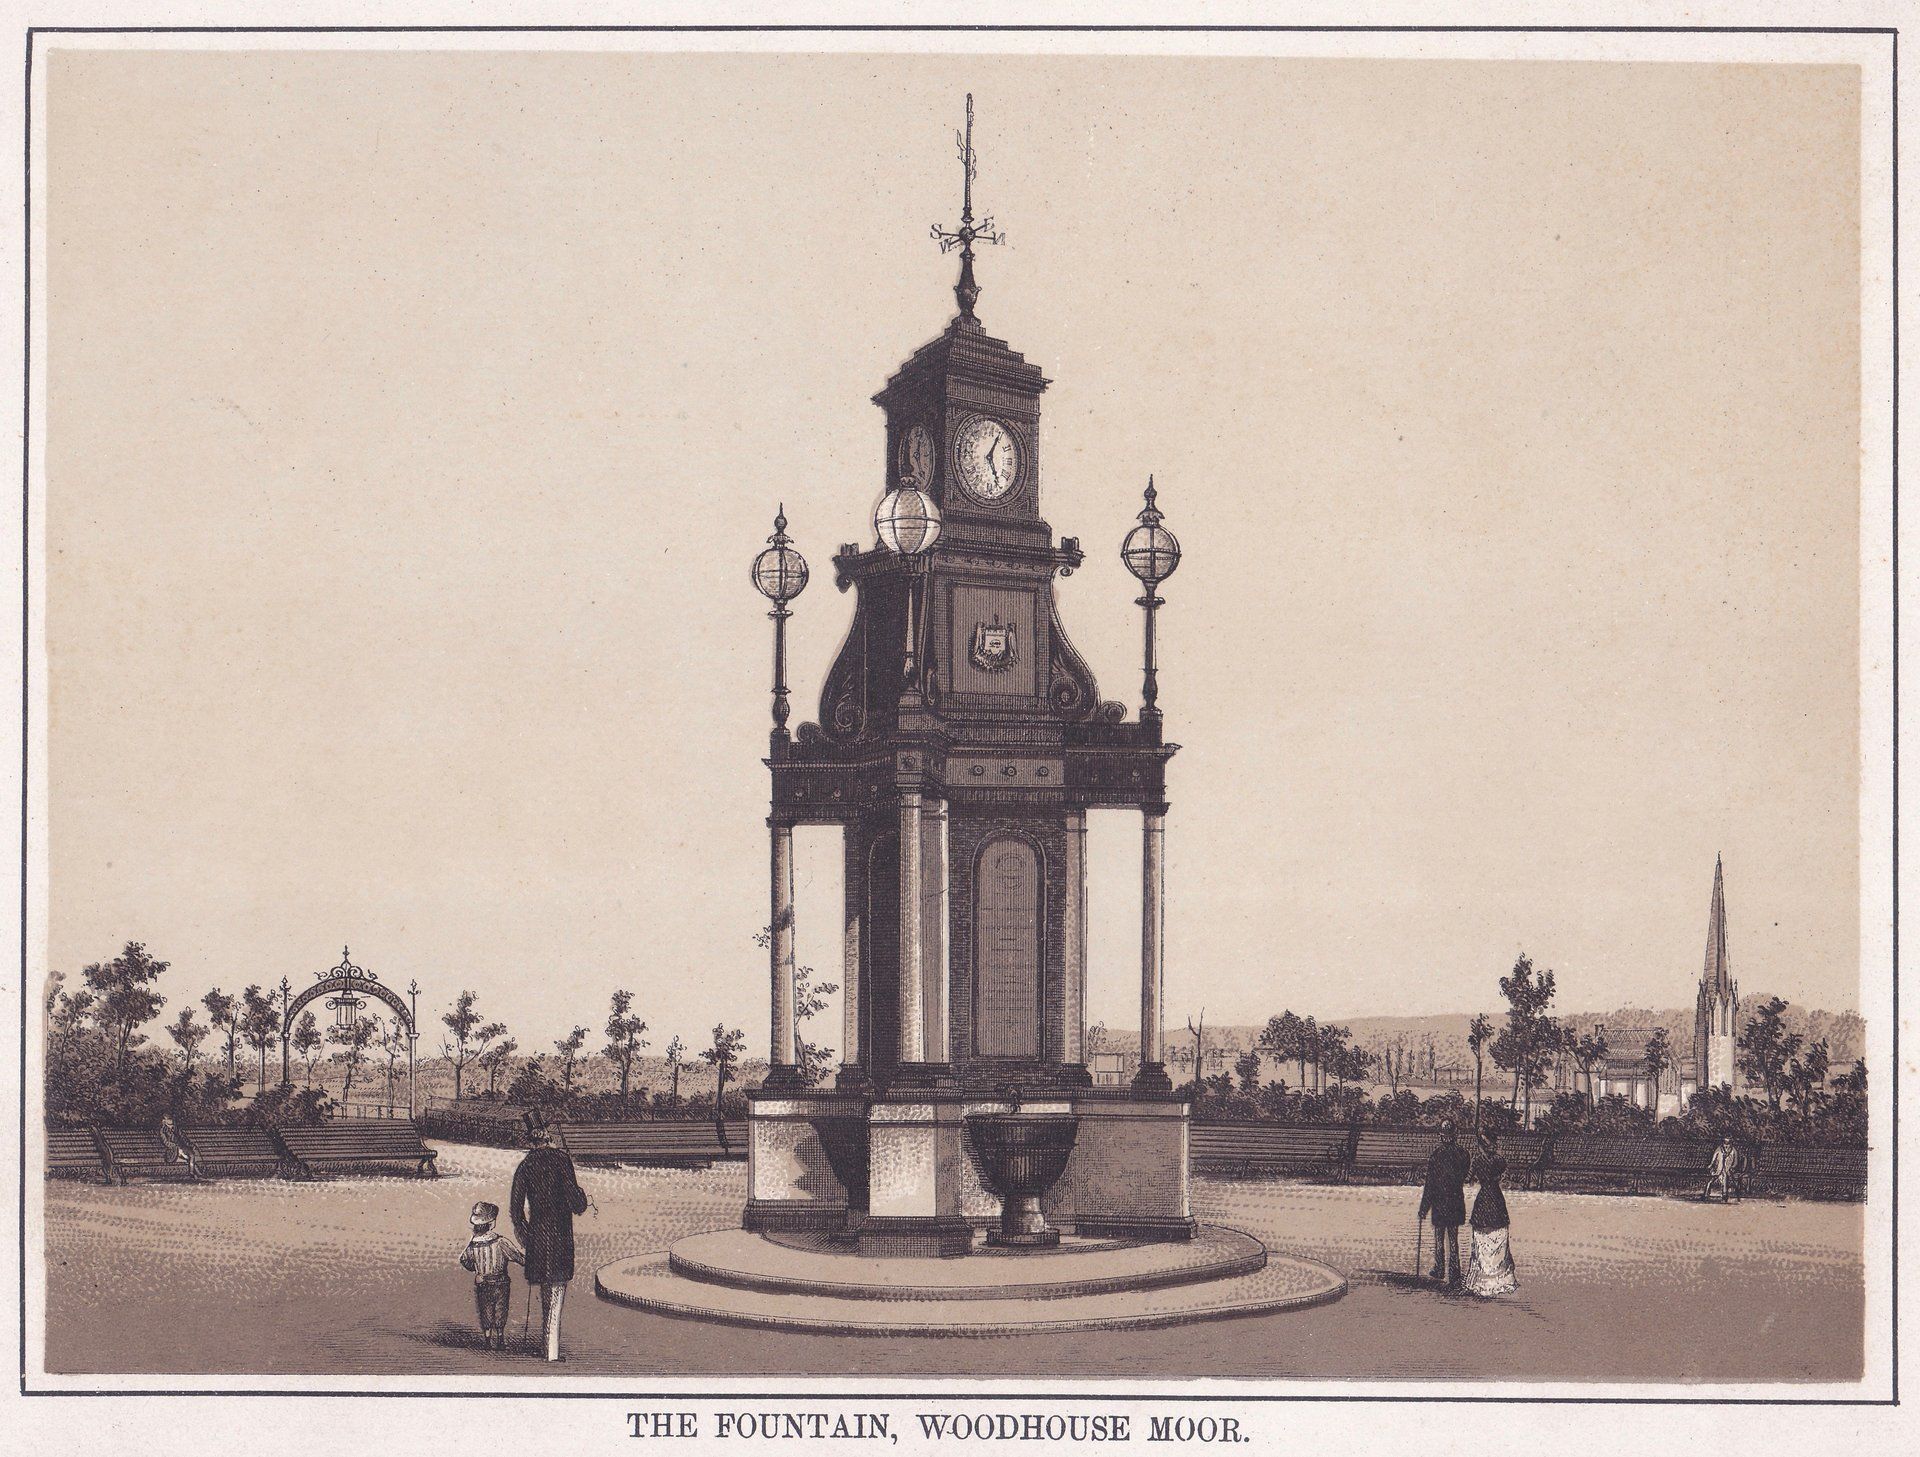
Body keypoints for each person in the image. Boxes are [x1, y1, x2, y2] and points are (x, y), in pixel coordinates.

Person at [511, 1114, 589, 1363]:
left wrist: (525, 1235)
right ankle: (551, 1352)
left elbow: (515, 1209)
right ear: (548, 1135)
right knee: (556, 1292)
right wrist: (583, 1197)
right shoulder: (561, 1160)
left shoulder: (525, 1165)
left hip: (537, 1238)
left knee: (547, 1293)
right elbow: (576, 1203)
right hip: (559, 1237)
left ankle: (548, 1348)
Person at [459, 1200, 524, 1351]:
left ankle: (488, 1339)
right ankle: (500, 1338)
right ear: (492, 1223)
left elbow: (464, 1260)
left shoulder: (473, 1244)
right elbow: (518, 1257)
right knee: (501, 1309)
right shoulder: (500, 1241)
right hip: (501, 1281)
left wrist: (476, 1270)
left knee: (485, 1309)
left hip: (483, 1282)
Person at [1416, 1119, 1472, 1286]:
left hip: (1439, 1201)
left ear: (1441, 1136)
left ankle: (1439, 1268)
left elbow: (1430, 1184)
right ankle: (1454, 1272)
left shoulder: (1436, 1155)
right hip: (1455, 1200)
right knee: (1453, 1238)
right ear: (1456, 1135)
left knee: (1439, 1237)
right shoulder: (1464, 1154)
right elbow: (1464, 1176)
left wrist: (1423, 1208)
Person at [1464, 1128, 1518, 1297]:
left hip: (1483, 1201)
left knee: (1482, 1237)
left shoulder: (1478, 1160)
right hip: (1496, 1199)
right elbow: (1505, 1176)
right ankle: (1500, 1278)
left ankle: (1481, 1280)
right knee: (1497, 1237)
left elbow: (1468, 1179)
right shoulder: (1500, 1161)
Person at [1704, 1135, 1739, 1202]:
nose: (1726, 1144)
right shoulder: (1719, 1149)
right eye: (1725, 1142)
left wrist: (1732, 1167)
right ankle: (1706, 1194)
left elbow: (1735, 1161)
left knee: (1725, 1180)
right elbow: (1714, 1158)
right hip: (1718, 1169)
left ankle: (1724, 1195)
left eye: (1728, 1142)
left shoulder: (1733, 1150)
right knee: (1711, 1181)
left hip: (1728, 1169)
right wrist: (1711, 1165)